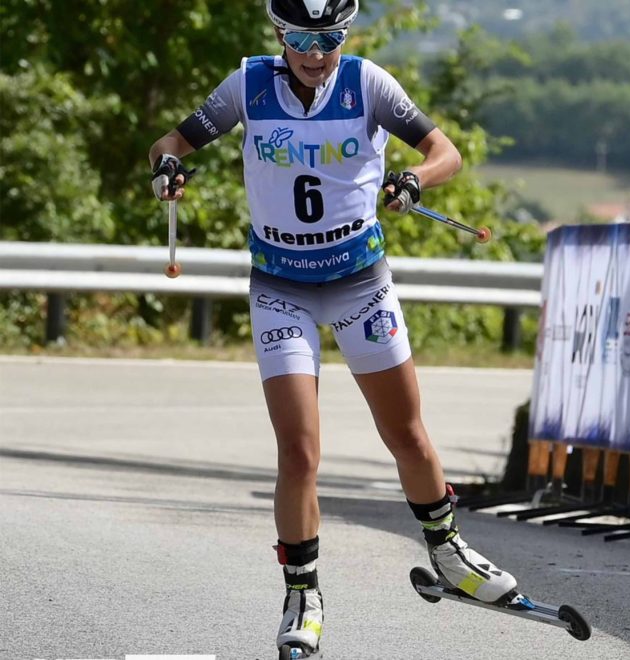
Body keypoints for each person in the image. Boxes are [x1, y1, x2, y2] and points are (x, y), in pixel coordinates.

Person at [147, 0, 518, 656]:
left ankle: (449, 553)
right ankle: (302, 596)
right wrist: (168, 169)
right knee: (299, 453)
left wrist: (414, 178)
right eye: (301, 38)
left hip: (359, 284)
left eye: (331, 38)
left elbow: (446, 152)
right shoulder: (247, 85)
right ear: (278, 32)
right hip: (281, 289)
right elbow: (170, 143)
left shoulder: (367, 83)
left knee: (406, 433)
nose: (316, 54)